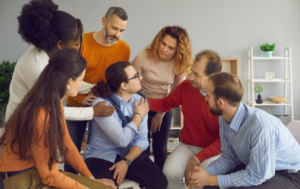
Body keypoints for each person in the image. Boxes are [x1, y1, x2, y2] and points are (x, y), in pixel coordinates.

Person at [0, 48, 116, 189]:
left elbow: (68, 144)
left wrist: (91, 179)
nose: (82, 84)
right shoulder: (41, 114)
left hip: (38, 171)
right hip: (21, 178)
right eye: (81, 79)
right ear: (68, 82)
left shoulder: (54, 103)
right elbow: (50, 176)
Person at [5, 0, 114, 124]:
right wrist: (93, 111)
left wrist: (96, 87)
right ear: (60, 44)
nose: (78, 49)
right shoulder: (35, 68)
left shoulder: (51, 52)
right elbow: (53, 108)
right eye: (76, 45)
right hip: (21, 128)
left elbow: (69, 82)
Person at [189, 72, 300, 189]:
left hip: (287, 173)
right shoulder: (224, 117)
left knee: (215, 183)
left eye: (207, 95)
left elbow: (257, 176)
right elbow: (229, 158)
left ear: (221, 102)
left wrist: (211, 179)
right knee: (209, 186)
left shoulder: (260, 126)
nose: (205, 97)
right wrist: (204, 174)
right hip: (257, 167)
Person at [65, 7, 130, 174]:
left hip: (104, 108)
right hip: (77, 105)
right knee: (71, 152)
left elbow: (117, 80)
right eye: (114, 28)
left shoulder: (124, 49)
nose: (117, 34)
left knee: (99, 155)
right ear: (104, 21)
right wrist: (81, 100)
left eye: (122, 30)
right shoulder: (82, 42)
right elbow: (68, 75)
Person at [84, 61, 168, 189]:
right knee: (108, 187)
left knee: (160, 182)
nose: (141, 78)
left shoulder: (140, 101)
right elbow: (122, 140)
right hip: (101, 156)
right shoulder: (103, 105)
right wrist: (138, 116)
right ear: (124, 85)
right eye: (136, 76)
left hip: (129, 155)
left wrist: (126, 161)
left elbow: (142, 139)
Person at [147, 50, 223, 189]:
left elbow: (222, 142)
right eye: (192, 71)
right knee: (169, 172)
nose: (191, 77)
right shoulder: (187, 86)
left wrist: (195, 160)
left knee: (199, 177)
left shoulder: (224, 98)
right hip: (188, 145)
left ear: (212, 77)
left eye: (197, 75)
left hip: (215, 150)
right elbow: (165, 104)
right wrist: (138, 100)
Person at [132, 26, 193, 170]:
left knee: (160, 150)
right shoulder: (142, 57)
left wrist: (160, 114)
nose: (164, 49)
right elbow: (132, 87)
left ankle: (161, 183)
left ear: (178, 51)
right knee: (142, 148)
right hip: (141, 103)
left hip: (164, 105)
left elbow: (175, 94)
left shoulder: (179, 63)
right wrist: (142, 111)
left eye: (171, 48)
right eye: (163, 43)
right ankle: (145, 182)